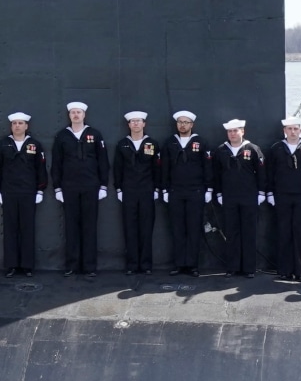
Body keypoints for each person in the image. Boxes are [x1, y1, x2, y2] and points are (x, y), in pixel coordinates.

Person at [51, 101, 108, 277]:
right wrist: (57, 188)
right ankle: (72, 265)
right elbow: (57, 164)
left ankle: (89, 266)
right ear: (69, 115)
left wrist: (103, 185)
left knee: (90, 227)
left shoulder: (95, 134)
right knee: (71, 227)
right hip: (69, 187)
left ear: (84, 115)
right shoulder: (62, 136)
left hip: (91, 187)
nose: (76, 115)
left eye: (79, 112)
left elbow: (103, 162)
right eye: (73, 112)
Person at [267, 116, 301, 282]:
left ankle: (299, 271)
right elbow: (269, 173)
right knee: (284, 232)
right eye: (289, 129)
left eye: (295, 129)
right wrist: (270, 193)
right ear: (284, 131)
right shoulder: (277, 148)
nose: (292, 132)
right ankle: (284, 270)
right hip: (282, 197)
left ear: (300, 130)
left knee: (299, 233)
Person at [0, 112, 46, 276]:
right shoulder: (4, 144)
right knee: (10, 229)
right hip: (9, 192)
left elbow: (41, 169)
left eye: (20, 123)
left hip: (28, 192)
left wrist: (40, 190)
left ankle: (27, 265)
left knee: (27, 229)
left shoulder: (34, 145)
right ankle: (11, 265)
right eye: (14, 123)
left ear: (26, 126)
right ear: (11, 126)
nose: (17, 126)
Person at [212, 118, 267, 276]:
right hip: (229, 197)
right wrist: (219, 193)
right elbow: (216, 174)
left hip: (249, 197)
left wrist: (262, 193)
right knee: (232, 232)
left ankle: (249, 268)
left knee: (249, 232)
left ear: (242, 131)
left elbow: (262, 173)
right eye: (230, 131)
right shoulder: (221, 150)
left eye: (235, 131)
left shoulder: (253, 149)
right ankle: (233, 267)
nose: (232, 134)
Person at [161, 110, 209, 276]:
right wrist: (165, 189)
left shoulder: (201, 142)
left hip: (195, 191)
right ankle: (179, 264)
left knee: (194, 228)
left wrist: (208, 189)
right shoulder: (169, 143)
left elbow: (207, 167)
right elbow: (164, 167)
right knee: (177, 228)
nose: (182, 125)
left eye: (186, 122)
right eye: (180, 122)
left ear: (192, 125)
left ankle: (193, 265)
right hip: (175, 191)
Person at [112, 111, 160, 275]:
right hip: (129, 191)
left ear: (144, 124)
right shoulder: (122, 144)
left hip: (147, 190)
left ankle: (146, 265)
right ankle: (132, 264)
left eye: (138, 121)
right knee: (130, 227)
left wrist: (156, 189)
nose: (136, 124)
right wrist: (119, 188)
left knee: (146, 228)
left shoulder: (151, 144)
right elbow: (118, 168)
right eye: (133, 122)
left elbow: (157, 168)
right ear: (129, 125)